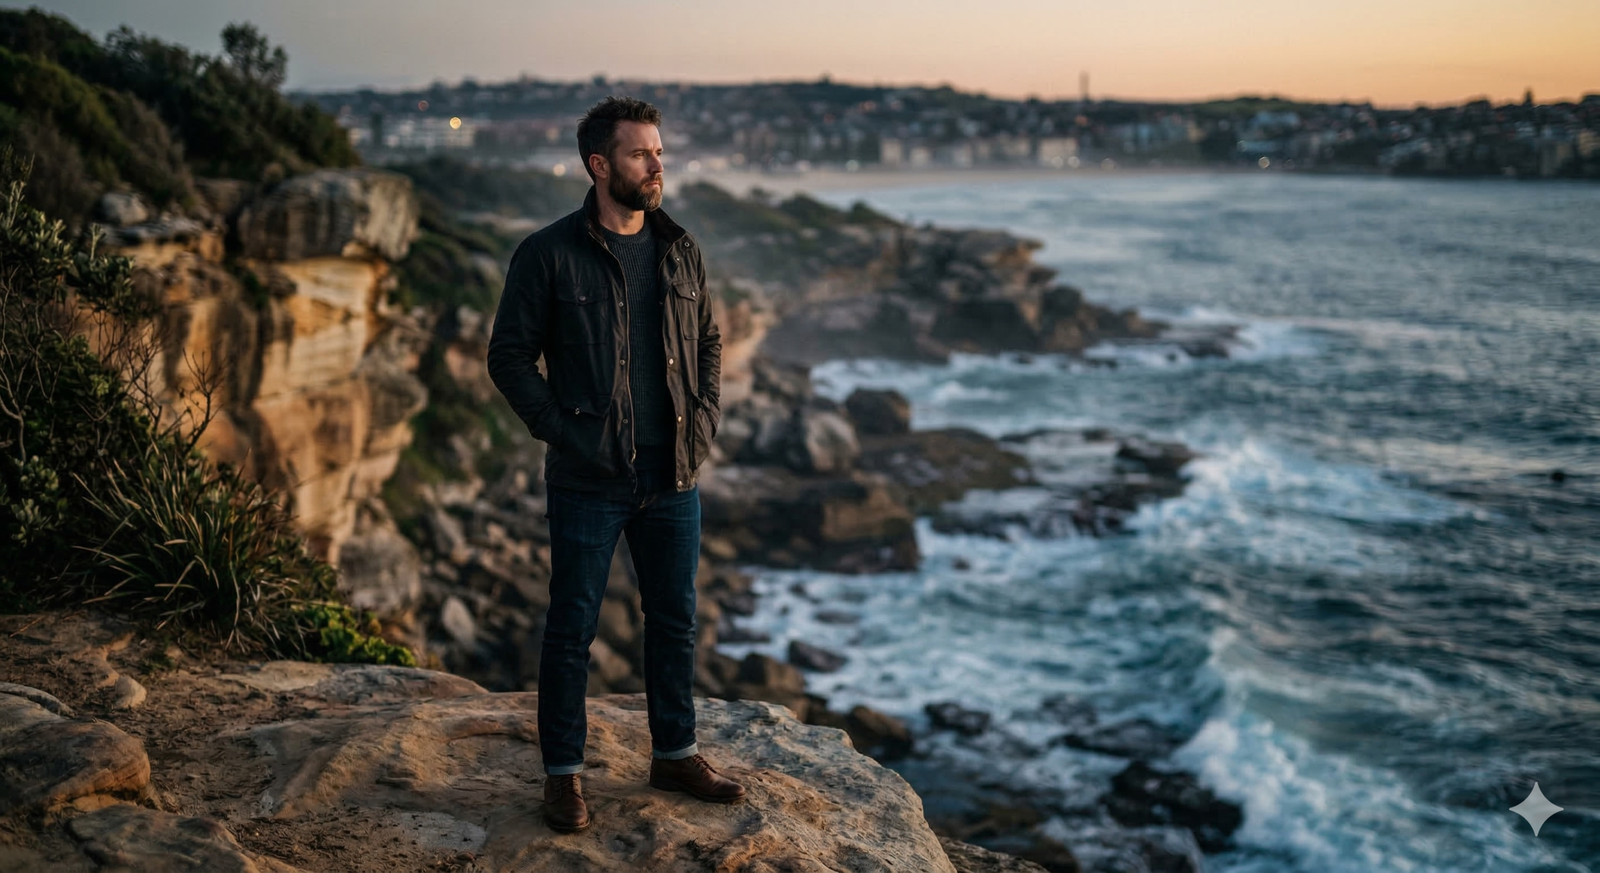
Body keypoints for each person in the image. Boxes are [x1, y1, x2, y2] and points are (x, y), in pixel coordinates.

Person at [486, 96, 744, 834]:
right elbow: (509, 356)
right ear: (601, 165)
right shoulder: (548, 253)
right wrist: (564, 435)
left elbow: (709, 343)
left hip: (673, 477)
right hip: (588, 479)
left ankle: (676, 751)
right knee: (571, 627)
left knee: (675, 621)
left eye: (659, 151)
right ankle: (563, 774)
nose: (657, 163)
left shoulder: (681, 248)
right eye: (641, 153)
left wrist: (703, 421)